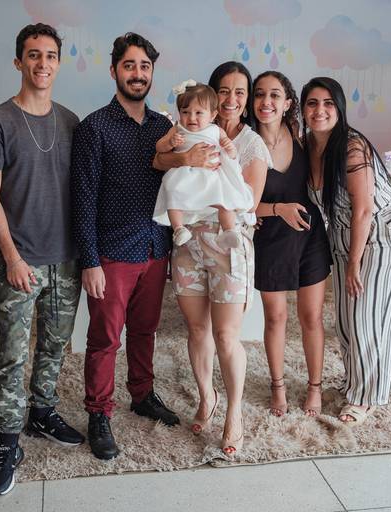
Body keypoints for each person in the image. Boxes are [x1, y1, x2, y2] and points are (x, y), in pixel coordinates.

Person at [0, 23, 84, 496]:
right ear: (19, 61)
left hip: (66, 259)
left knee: (55, 347)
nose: (43, 63)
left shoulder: (71, 122)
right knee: (11, 354)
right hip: (20, 259)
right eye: (34, 55)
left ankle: (42, 411)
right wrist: (12, 257)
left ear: (59, 63)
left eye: (51, 55)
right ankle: (7, 442)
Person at [71, 32, 181, 461]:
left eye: (145, 66)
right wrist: (90, 261)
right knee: (104, 339)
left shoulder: (164, 128)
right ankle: (99, 413)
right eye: (130, 65)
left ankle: (142, 394)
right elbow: (82, 199)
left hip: (155, 247)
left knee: (144, 330)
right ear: (114, 70)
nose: (138, 74)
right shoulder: (94, 127)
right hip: (112, 253)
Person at [154, 61, 268, 456]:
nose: (232, 98)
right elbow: (158, 161)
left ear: (245, 99)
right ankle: (207, 395)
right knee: (197, 328)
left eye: (240, 92)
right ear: (212, 96)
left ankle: (234, 413)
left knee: (225, 335)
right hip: (187, 241)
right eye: (225, 90)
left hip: (228, 242)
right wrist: (187, 158)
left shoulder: (250, 143)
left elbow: (248, 203)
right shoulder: (188, 130)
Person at [301, 77, 391, 425]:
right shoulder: (307, 145)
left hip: (383, 232)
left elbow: (364, 209)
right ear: (303, 109)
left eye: (328, 103)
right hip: (343, 233)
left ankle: (367, 397)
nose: (320, 110)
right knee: (345, 319)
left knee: (367, 317)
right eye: (312, 103)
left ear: (339, 108)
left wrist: (354, 263)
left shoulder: (352, 146)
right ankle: (354, 382)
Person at [251, 71, 332, 417]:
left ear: (287, 103)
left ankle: (315, 386)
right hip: (270, 240)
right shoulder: (245, 143)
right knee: (276, 317)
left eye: (274, 95)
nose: (266, 102)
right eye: (259, 94)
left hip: (309, 236)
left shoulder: (301, 136)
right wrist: (275, 209)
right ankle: (278, 385)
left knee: (312, 315)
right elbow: (238, 204)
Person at [152, 80, 253, 249]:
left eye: (198, 112)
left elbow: (231, 153)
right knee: (172, 192)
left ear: (212, 115)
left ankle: (228, 231)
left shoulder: (216, 130)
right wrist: (170, 142)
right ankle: (179, 228)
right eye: (185, 112)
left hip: (211, 175)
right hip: (184, 174)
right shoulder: (177, 128)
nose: (191, 118)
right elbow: (159, 147)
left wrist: (229, 148)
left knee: (225, 202)